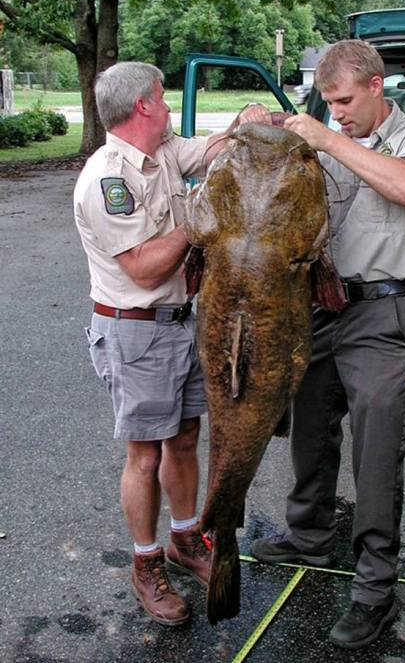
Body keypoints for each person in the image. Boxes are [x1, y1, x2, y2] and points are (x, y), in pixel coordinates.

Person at [251, 40, 405, 649]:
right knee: (309, 429)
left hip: (385, 311)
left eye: (344, 101)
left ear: (375, 85)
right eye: (327, 101)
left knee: (375, 450)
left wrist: (330, 139)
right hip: (319, 306)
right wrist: (254, 124)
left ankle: (373, 589)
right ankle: (308, 533)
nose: (335, 111)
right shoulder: (324, 133)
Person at [74, 61, 270, 627]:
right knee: (145, 453)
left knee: (185, 439)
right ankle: (146, 563)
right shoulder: (107, 179)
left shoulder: (161, 150)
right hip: (135, 328)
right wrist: (197, 218)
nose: (167, 104)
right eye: (162, 97)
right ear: (142, 106)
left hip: (183, 322)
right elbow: (145, 267)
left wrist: (244, 125)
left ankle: (187, 541)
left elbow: (207, 153)